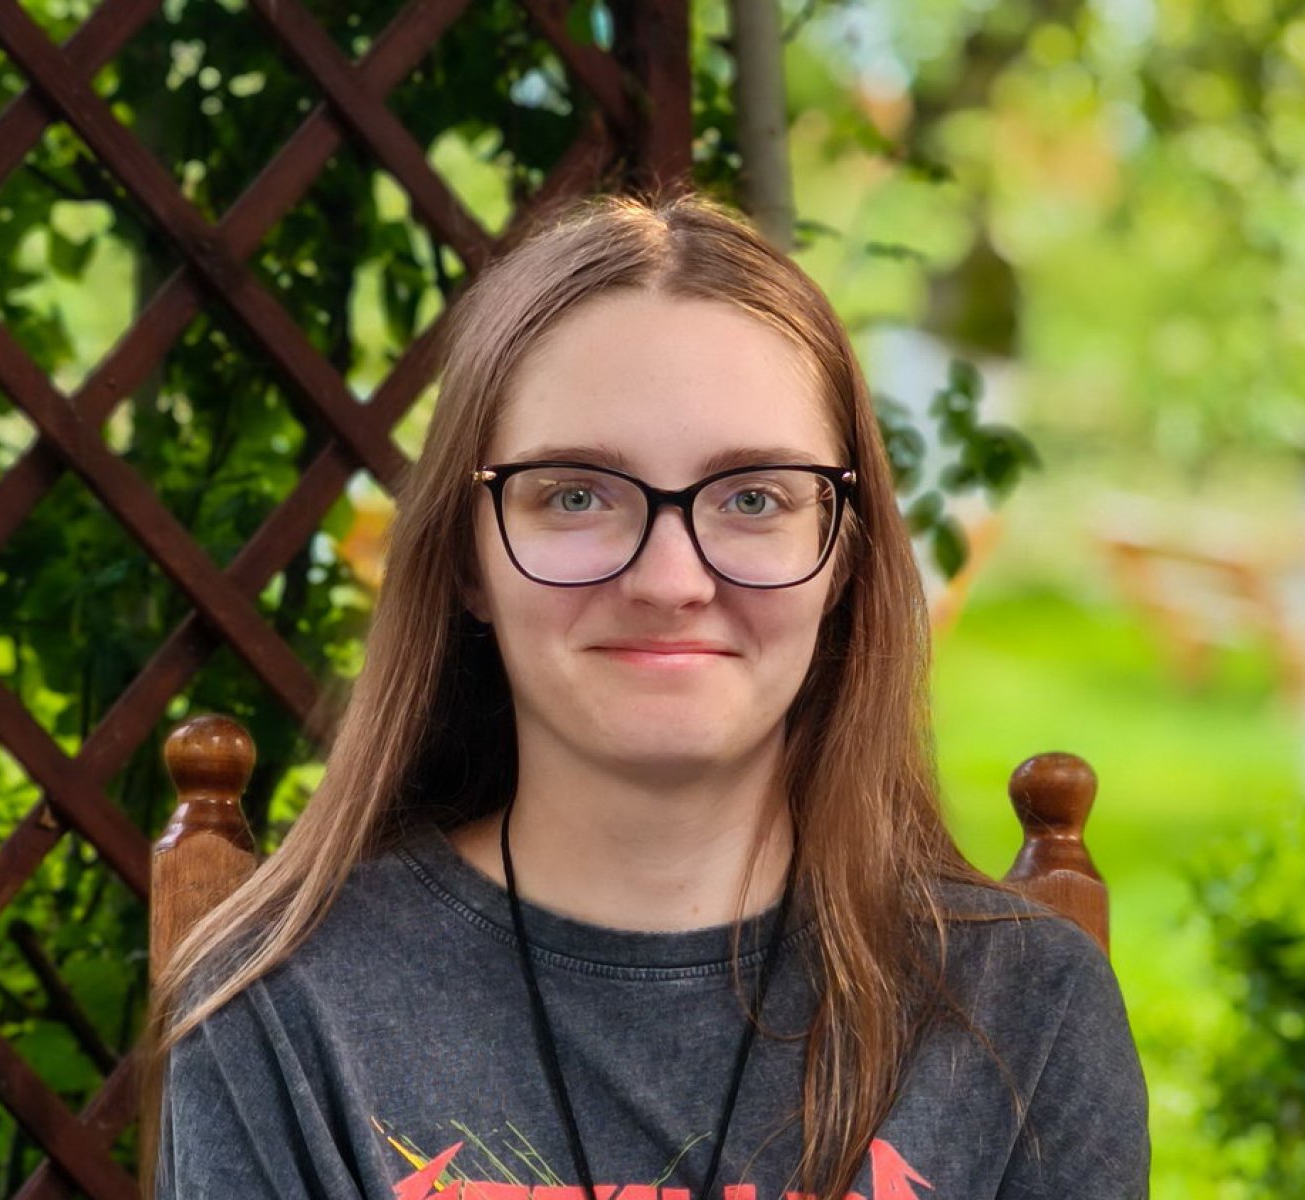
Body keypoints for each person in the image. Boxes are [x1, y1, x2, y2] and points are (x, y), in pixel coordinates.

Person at [153, 193, 1148, 1200]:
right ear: (465, 556)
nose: (670, 581)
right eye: (576, 494)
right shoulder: (285, 1010)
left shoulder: (1021, 1012)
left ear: (843, 558)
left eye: (753, 497)